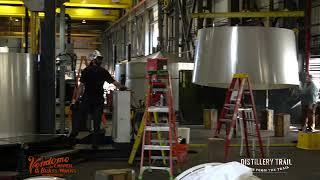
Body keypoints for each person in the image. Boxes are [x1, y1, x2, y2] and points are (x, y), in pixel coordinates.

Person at [71, 50, 126, 149]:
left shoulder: (86, 71)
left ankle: (71, 139)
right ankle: (95, 144)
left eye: (100, 59)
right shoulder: (103, 71)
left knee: (80, 119)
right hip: (97, 100)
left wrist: (75, 100)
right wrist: (123, 87)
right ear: (95, 59)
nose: (100, 60)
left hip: (87, 99)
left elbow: (81, 87)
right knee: (96, 122)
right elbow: (114, 83)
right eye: (99, 59)